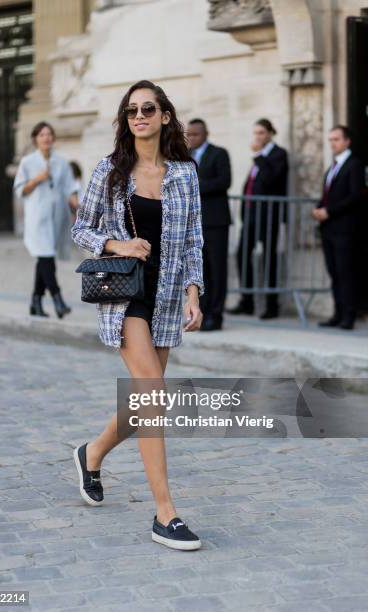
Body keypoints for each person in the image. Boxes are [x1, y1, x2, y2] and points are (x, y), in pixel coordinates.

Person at [71, 80, 204, 551]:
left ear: (165, 116)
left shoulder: (185, 174)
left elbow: (192, 242)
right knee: (152, 393)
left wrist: (194, 294)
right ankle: (164, 513)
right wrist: (117, 243)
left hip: (166, 297)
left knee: (146, 400)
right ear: (125, 121)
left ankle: (92, 453)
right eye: (132, 111)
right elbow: (81, 228)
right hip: (124, 294)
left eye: (148, 108)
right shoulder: (109, 171)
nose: (140, 116)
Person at [14, 121, 78, 318]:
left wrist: (79, 206)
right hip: (37, 218)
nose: (46, 138)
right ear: (35, 139)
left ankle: (35, 302)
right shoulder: (27, 162)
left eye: (49, 134)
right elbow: (20, 190)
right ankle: (58, 300)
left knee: (44, 258)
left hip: (57, 217)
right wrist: (37, 179)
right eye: (42, 135)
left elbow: (70, 188)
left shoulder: (62, 162)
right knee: (46, 257)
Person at [227, 118, 288, 319]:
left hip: (269, 215)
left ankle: (272, 306)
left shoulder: (278, 154)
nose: (258, 137)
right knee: (242, 254)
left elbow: (272, 178)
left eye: (261, 133)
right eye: (256, 133)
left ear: (270, 133)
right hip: (252, 216)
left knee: (270, 258)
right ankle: (247, 301)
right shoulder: (259, 157)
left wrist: (257, 155)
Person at [312, 125, 365, 330]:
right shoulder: (332, 167)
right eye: (330, 139)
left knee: (345, 273)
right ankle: (337, 313)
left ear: (347, 141)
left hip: (345, 229)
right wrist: (319, 208)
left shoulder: (355, 165)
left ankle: (348, 316)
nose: (332, 143)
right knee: (334, 272)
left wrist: (329, 211)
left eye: (336, 139)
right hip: (329, 229)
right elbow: (328, 195)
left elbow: (355, 196)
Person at [187, 118, 232, 331]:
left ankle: (217, 314)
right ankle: (201, 313)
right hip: (194, 223)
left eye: (195, 134)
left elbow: (224, 181)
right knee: (199, 270)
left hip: (215, 222)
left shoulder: (219, 153)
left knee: (217, 269)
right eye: (189, 134)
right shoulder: (185, 157)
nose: (191, 138)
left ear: (205, 134)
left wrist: (197, 186)